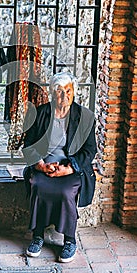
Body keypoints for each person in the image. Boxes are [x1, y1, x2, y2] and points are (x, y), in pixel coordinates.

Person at [22, 71, 97, 262]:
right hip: (45, 166)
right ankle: (38, 235)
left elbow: (90, 151)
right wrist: (40, 166)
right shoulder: (40, 113)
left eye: (68, 91)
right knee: (38, 185)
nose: (64, 96)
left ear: (74, 92)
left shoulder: (85, 117)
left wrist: (70, 168)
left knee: (66, 191)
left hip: (71, 168)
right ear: (52, 93)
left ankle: (70, 240)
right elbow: (28, 145)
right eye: (60, 91)